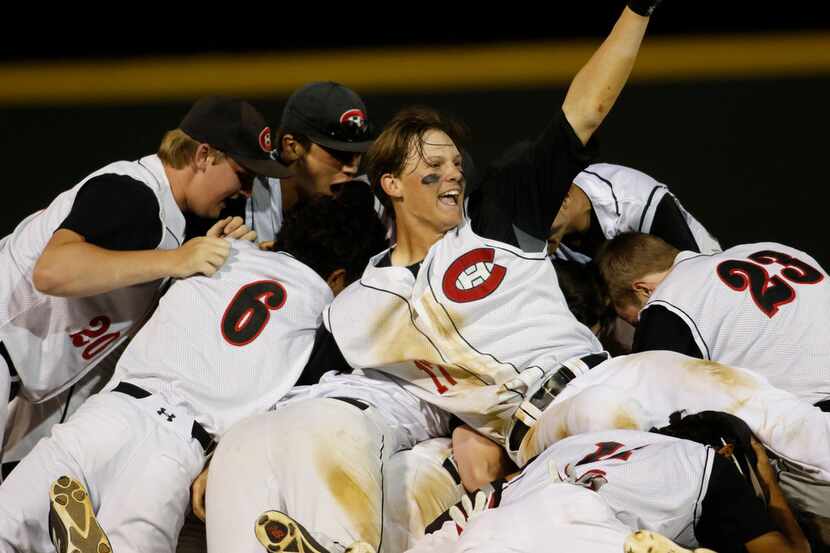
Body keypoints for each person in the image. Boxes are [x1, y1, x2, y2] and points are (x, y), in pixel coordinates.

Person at [202, 3, 666, 552]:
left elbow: (582, 113)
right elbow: (300, 384)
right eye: (435, 164)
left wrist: (637, 10)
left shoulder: (496, 226)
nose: (454, 174)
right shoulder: (352, 308)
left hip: (582, 405)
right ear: (392, 185)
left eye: (455, 165)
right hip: (503, 446)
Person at [0, 184, 388, 553]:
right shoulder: (325, 315)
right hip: (176, 451)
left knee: (7, 523)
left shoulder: (219, 251)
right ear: (338, 277)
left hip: (114, 412)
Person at [0, 96, 291, 469]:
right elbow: (52, 271)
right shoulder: (132, 191)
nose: (248, 192)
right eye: (243, 174)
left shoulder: (169, 214)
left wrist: (196, 258)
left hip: (25, 378)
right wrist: (175, 260)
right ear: (203, 155)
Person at [596, 232, 830, 407]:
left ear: (643, 290)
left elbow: (645, 402)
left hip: (814, 422)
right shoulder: (769, 248)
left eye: (636, 320)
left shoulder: (668, 299)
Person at [547, 162, 721, 261]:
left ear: (564, 198)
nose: (532, 229)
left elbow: (695, 268)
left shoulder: (633, 199)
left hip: (704, 270)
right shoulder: (542, 235)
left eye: (538, 216)